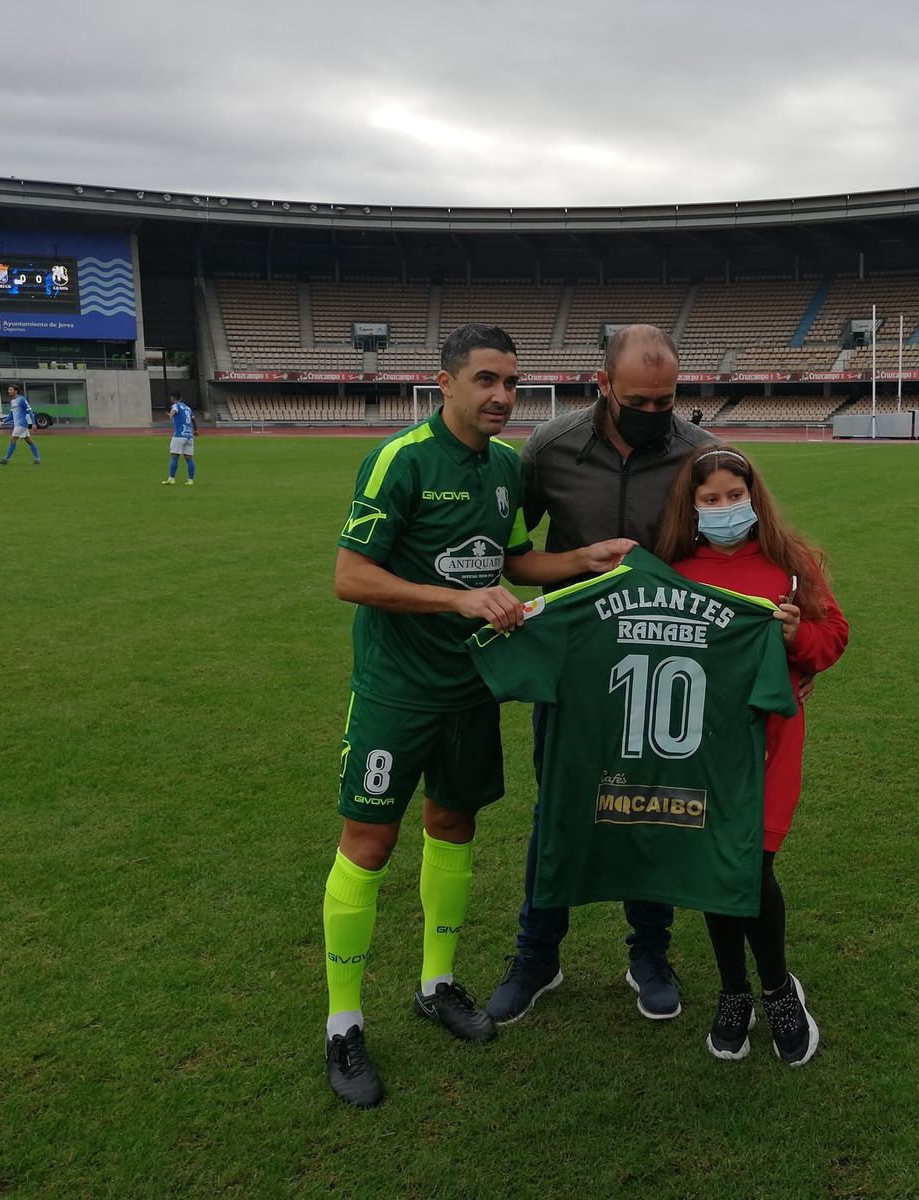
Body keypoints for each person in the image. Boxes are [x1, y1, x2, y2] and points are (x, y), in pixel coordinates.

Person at [321, 323, 632, 1108]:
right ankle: (343, 1022)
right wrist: (456, 598)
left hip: (470, 686)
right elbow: (352, 576)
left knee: (454, 827)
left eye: (511, 384)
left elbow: (509, 559)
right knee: (370, 840)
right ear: (446, 382)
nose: (501, 397)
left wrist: (578, 562)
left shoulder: (504, 468)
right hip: (396, 688)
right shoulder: (400, 459)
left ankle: (437, 984)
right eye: (487, 380)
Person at [484, 324, 714, 1026]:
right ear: (604, 386)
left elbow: (732, 555)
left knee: (654, 803)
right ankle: (536, 956)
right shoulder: (550, 449)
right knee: (556, 806)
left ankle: (650, 953)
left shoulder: (700, 455)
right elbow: (511, 557)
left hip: (665, 658)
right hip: (575, 663)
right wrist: (580, 564)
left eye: (668, 400)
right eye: (641, 399)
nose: (656, 412)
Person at [653, 443, 848, 1066]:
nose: (724, 508)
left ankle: (775, 988)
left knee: (751, 864)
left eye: (734, 496)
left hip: (770, 744)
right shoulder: (672, 570)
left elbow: (832, 638)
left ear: (754, 496)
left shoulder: (792, 565)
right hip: (699, 746)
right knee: (716, 862)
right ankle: (733, 991)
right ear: (692, 506)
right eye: (710, 499)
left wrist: (798, 637)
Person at [0, 385, 41, 465]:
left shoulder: (21, 399)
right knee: (29, 441)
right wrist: (3, 422)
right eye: (8, 390)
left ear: (15, 391)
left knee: (12, 440)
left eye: (10, 390)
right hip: (18, 425)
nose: (8, 391)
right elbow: (11, 415)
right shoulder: (12, 401)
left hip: (21, 424)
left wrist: (33, 423)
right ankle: (37, 459)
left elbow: (29, 411)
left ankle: (6, 459)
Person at [163, 391, 196, 484]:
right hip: (189, 436)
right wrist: (196, 430)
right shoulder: (188, 408)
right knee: (189, 459)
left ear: (172, 398)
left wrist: (171, 415)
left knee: (174, 456)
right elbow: (193, 420)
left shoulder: (175, 405)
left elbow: (174, 411)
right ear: (181, 398)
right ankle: (190, 480)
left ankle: (171, 479)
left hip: (179, 436)